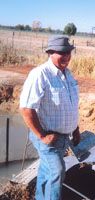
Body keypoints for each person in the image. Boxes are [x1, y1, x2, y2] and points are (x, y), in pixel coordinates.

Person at [20, 35, 80, 200]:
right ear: (50, 52)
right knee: (57, 171)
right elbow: (26, 108)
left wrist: (76, 129)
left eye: (69, 52)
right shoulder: (40, 74)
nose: (67, 57)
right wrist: (42, 136)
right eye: (62, 53)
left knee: (47, 172)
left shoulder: (68, 75)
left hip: (63, 138)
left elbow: (71, 105)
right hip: (48, 138)